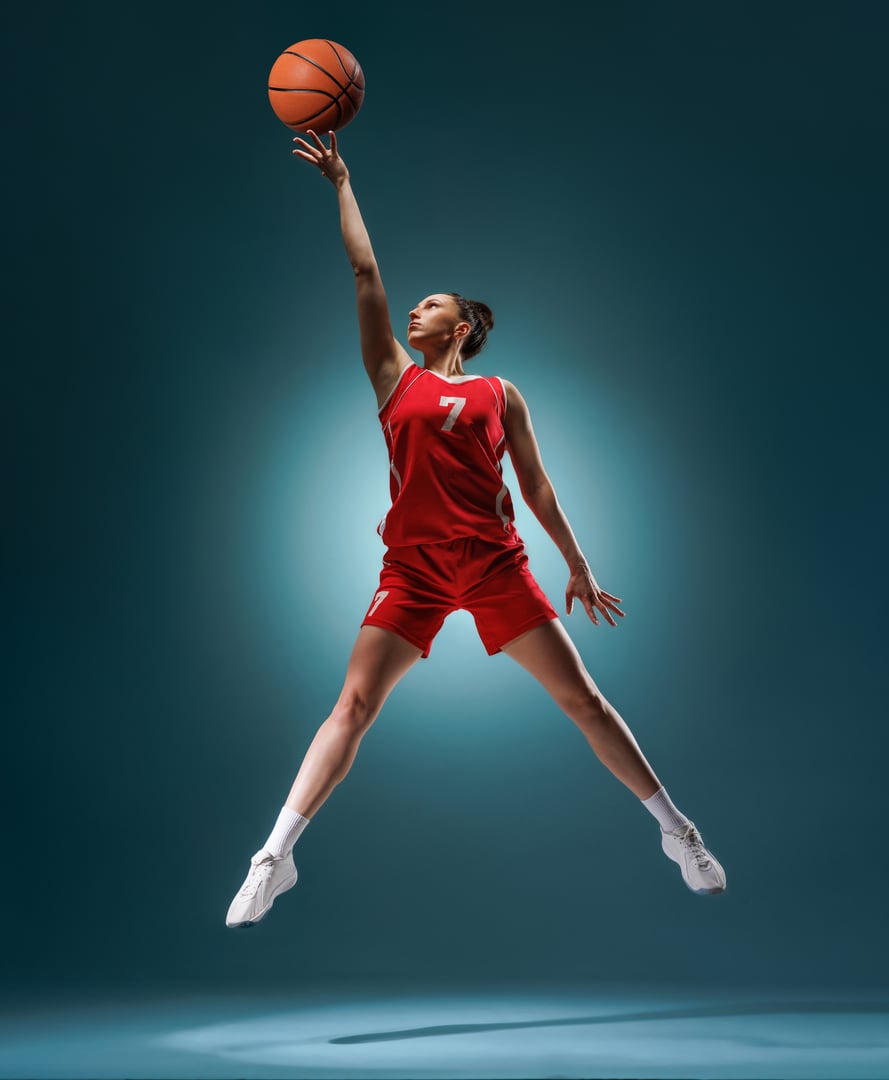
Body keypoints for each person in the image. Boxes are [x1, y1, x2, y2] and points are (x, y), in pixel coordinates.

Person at [225, 131, 725, 928]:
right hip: (414, 569)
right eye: (415, 305)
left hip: (494, 565)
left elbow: (535, 484)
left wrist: (577, 563)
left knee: (584, 701)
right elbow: (364, 273)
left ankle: (679, 832)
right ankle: (272, 857)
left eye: (432, 305)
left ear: (461, 327)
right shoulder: (394, 378)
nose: (415, 310)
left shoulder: (499, 392)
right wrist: (342, 182)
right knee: (353, 705)